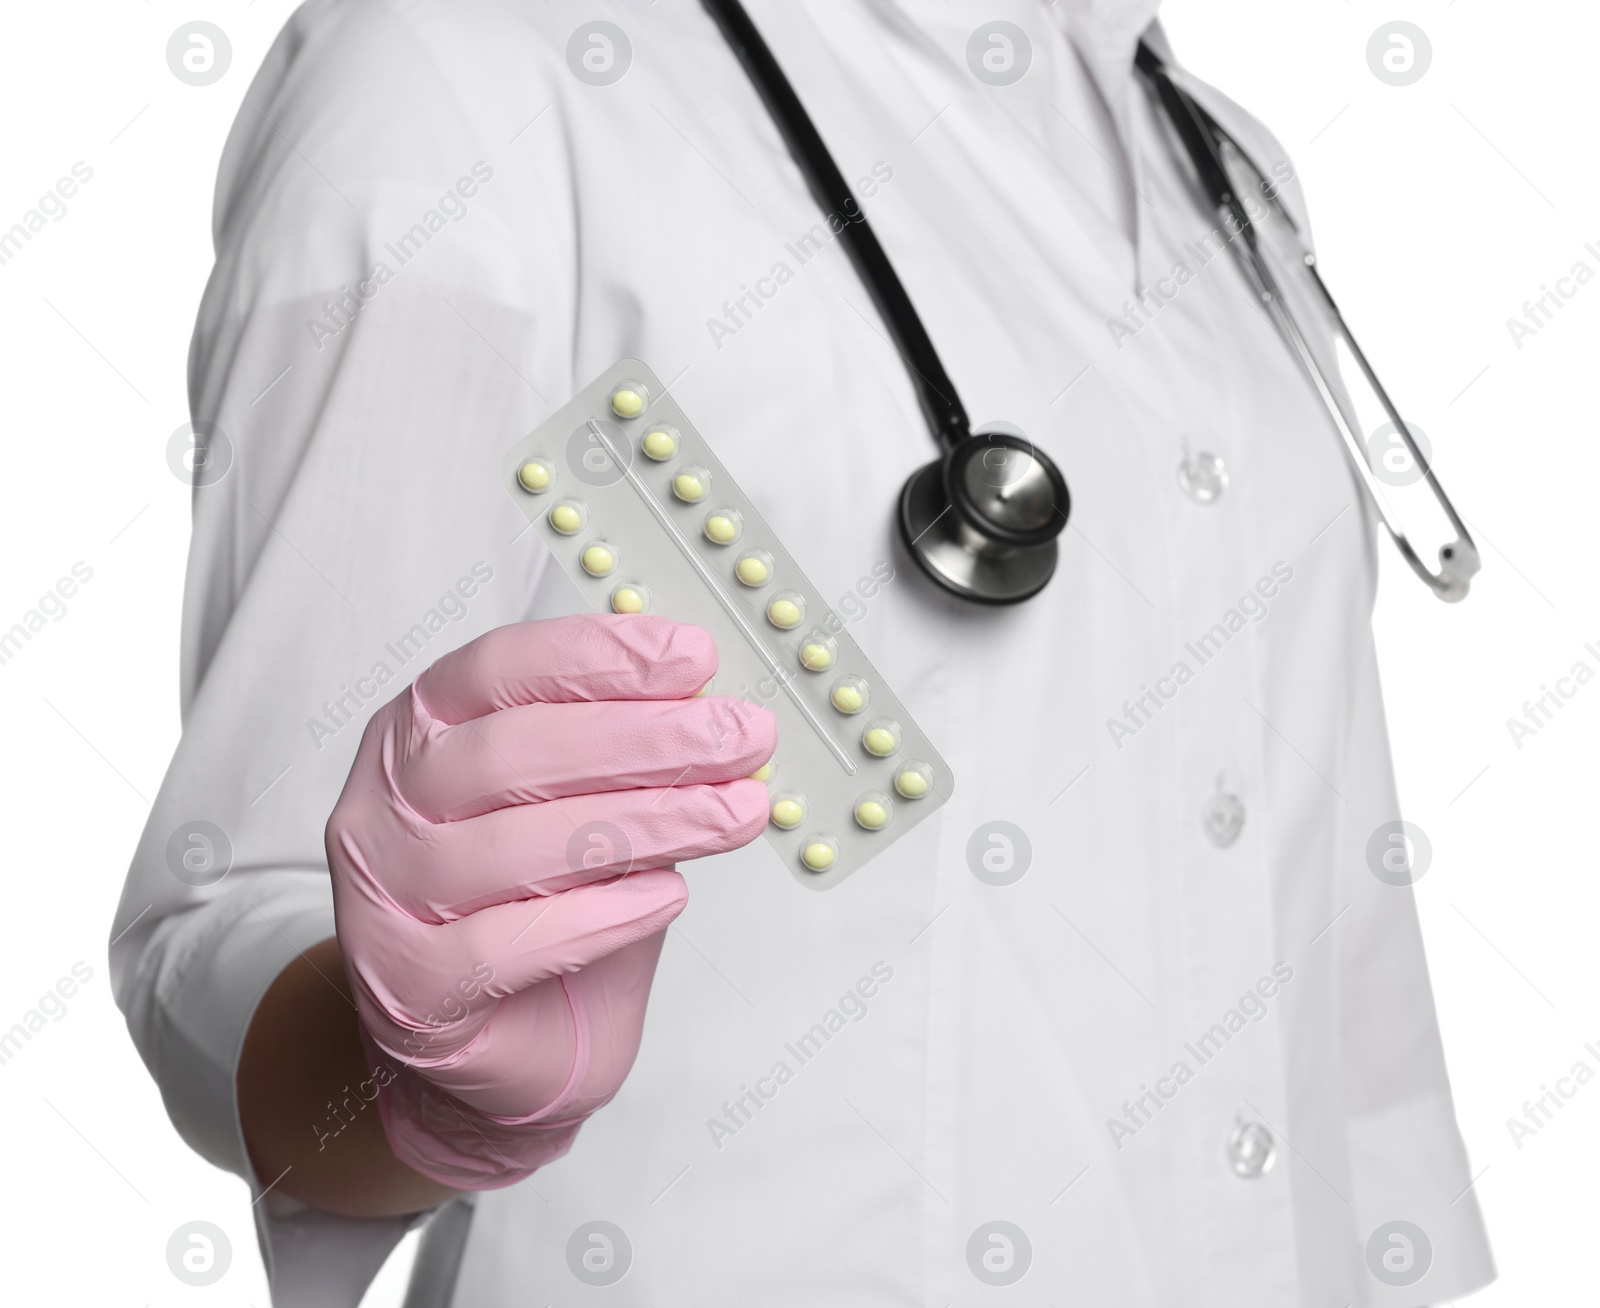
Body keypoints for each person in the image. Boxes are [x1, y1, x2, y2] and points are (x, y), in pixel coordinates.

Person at [111, 1, 1495, 1304]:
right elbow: (227, 916)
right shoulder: (463, 69)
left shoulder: (1212, 151)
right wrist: (408, 1076)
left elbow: (1328, 1007)